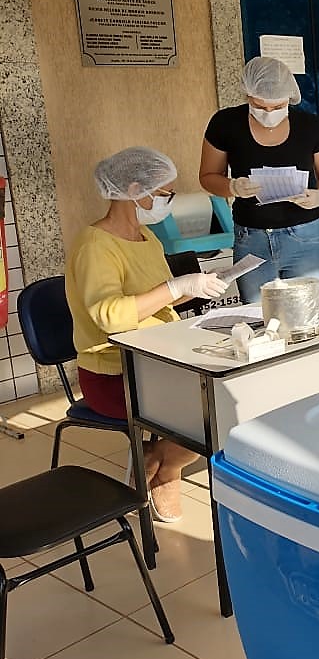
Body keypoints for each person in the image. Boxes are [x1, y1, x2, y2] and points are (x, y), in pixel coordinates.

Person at [65, 148, 228, 523]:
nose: (168, 202)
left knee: (226, 394)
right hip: (114, 374)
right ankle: (167, 468)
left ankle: (158, 455)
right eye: (165, 194)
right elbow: (111, 316)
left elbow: (156, 296)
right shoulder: (94, 245)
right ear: (136, 190)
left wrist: (197, 287)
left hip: (160, 360)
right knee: (212, 411)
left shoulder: (147, 238)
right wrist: (174, 287)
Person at [199, 57, 319, 303]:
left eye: (277, 107)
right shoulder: (225, 124)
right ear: (247, 96)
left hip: (305, 236)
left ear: (289, 98)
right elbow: (207, 177)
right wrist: (232, 187)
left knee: (307, 311)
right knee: (257, 315)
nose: (269, 113)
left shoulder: (310, 126)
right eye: (260, 106)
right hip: (252, 237)